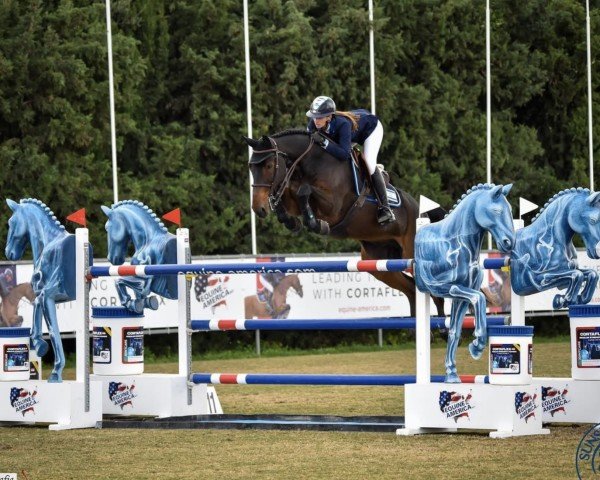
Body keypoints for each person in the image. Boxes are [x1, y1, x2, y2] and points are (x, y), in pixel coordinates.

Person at [306, 95, 395, 225]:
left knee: (369, 163)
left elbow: (344, 154)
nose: (316, 121)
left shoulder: (343, 124)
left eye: (319, 117)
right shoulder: (314, 124)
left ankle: (385, 208)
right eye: (314, 117)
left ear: (329, 117)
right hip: (348, 135)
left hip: (370, 129)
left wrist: (325, 142)